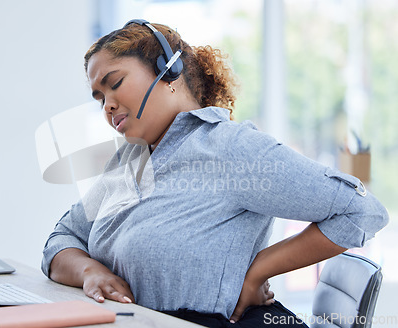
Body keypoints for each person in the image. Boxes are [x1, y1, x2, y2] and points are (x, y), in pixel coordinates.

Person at [41, 20, 388, 328]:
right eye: (99, 98)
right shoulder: (128, 163)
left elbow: (361, 211)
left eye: (114, 83)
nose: (107, 106)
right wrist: (90, 271)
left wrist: (257, 271)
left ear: (169, 73)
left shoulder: (228, 147)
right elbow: (61, 240)